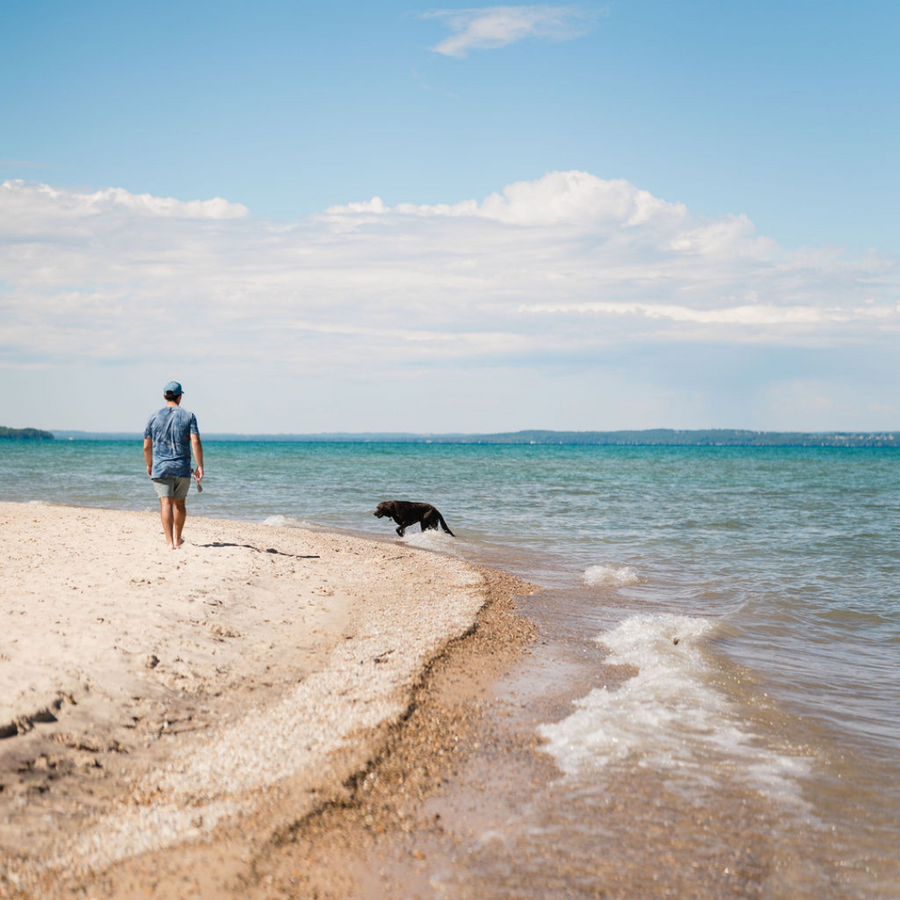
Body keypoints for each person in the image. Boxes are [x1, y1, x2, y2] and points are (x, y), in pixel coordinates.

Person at [143, 381, 203, 550]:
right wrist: (200, 466)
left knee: (165, 504)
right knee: (180, 504)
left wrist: (149, 464)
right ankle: (178, 539)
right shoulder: (189, 416)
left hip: (161, 467)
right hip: (182, 467)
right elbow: (195, 441)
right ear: (180, 396)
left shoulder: (153, 417)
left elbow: (147, 446)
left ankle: (169, 543)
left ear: (164, 396)